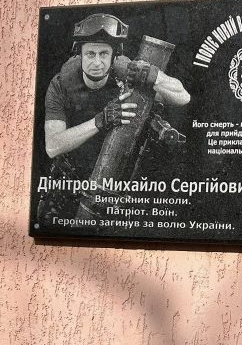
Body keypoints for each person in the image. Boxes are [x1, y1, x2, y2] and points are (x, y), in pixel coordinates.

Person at [40, 13, 190, 223]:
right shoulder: (60, 85)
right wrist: (100, 121)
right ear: (79, 54)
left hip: (110, 184)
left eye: (104, 54)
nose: (97, 62)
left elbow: (183, 97)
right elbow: (53, 146)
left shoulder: (125, 77)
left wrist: (155, 76)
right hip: (69, 183)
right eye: (90, 54)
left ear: (114, 56)